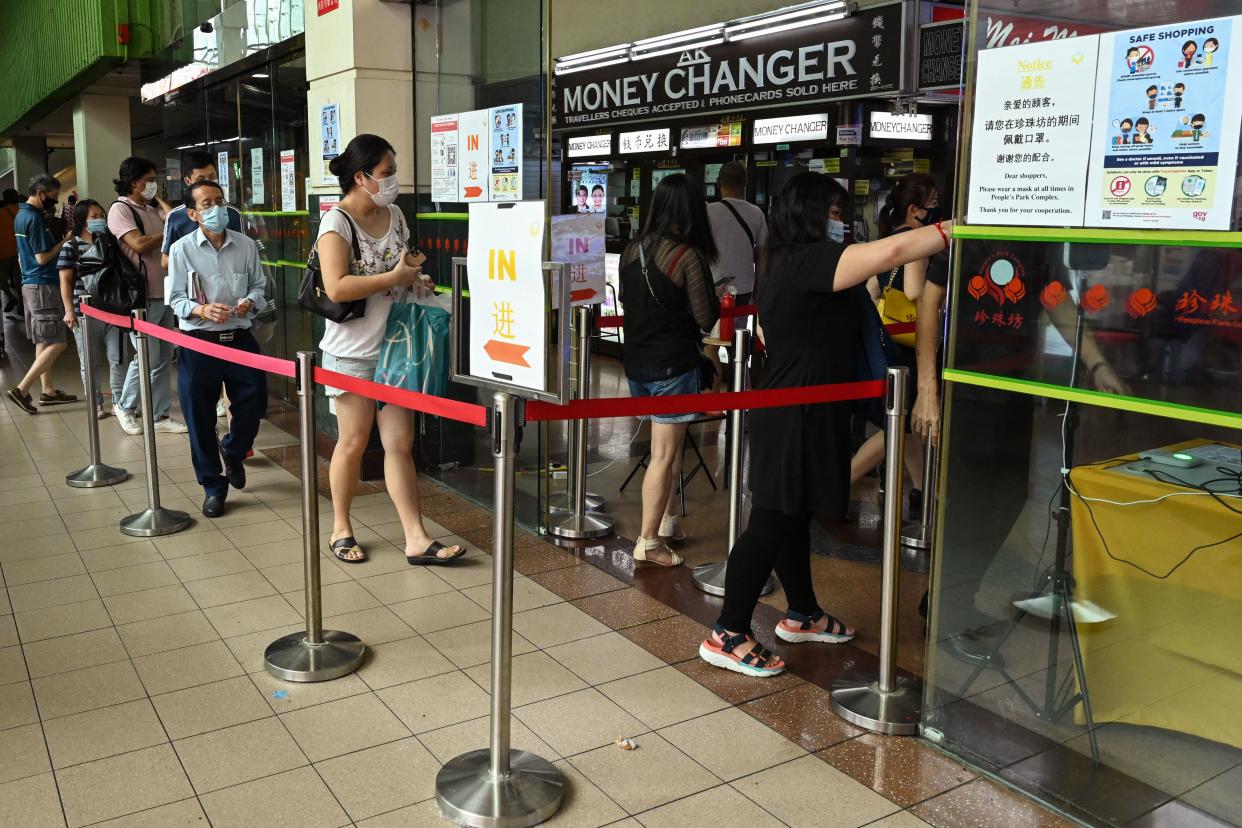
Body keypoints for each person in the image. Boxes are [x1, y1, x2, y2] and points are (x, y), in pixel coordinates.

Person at [697, 172, 952, 678]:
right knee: (771, 519)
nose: (841, 224)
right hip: (795, 413)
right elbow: (895, 250)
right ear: (809, 215)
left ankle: (803, 613)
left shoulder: (784, 261)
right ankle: (727, 632)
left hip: (810, 409)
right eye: (833, 215)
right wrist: (963, 228)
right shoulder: (808, 260)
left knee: (793, 514)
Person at [317, 133, 465, 565]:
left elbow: (404, 264)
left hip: (398, 347)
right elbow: (337, 287)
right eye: (386, 173)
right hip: (353, 352)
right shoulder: (337, 223)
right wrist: (394, 279)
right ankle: (341, 527)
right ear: (361, 177)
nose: (393, 180)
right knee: (353, 442)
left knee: (399, 444)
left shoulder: (395, 214)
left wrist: (415, 280)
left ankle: (416, 537)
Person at [618, 173, 719, 566]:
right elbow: (705, 316)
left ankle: (668, 522)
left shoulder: (631, 251)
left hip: (637, 364)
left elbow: (630, 301)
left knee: (670, 449)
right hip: (674, 366)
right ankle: (649, 542)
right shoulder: (687, 256)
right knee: (663, 454)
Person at [167, 180, 268, 518]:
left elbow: (259, 286)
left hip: (239, 337)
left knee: (255, 402)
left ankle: (235, 449)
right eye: (207, 204)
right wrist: (202, 310)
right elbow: (175, 299)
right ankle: (213, 485)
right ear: (193, 213)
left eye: (219, 201)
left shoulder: (246, 245)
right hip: (198, 342)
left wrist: (249, 302)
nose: (216, 209)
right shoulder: (182, 250)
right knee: (199, 417)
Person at [849, 173, 941, 512]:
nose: (936, 210)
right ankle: (841, 481)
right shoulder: (918, 243)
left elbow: (872, 291)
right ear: (914, 209)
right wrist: (938, 294)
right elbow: (916, 293)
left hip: (887, 341)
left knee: (905, 424)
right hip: (909, 345)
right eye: (932, 204)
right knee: (898, 424)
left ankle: (922, 490)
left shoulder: (887, 240)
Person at [108, 156, 187, 435]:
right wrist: (168, 232)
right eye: (150, 180)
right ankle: (125, 406)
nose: (155, 185)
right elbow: (138, 244)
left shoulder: (149, 208)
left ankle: (159, 414)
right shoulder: (121, 209)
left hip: (164, 292)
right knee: (146, 356)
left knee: (164, 356)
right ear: (134, 182)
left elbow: (175, 217)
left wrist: (159, 202)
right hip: (141, 296)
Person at [5, 174, 79, 414]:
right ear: (40, 192)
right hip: (43, 285)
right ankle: (22, 389)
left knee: (44, 340)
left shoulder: (20, 216)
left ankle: (47, 391)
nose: (55, 201)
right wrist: (65, 242)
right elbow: (42, 257)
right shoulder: (34, 219)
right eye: (54, 196)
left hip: (31, 284)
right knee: (58, 340)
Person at [58, 199, 128, 420]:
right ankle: (96, 403)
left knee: (118, 358)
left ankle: (119, 402)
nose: (99, 219)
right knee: (89, 361)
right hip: (85, 312)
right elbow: (65, 281)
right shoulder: (71, 246)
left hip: (113, 310)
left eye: (101, 215)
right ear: (81, 220)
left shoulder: (110, 243)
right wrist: (69, 309)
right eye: (93, 216)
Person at [705, 161, 767, 392]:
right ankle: (743, 400)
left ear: (719, 183)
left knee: (710, 346)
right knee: (738, 347)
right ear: (745, 184)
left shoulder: (708, 212)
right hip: (744, 291)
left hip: (714, 289)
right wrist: (758, 289)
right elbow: (762, 256)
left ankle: (711, 401)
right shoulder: (757, 214)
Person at [162, 151, 243, 271]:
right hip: (193, 286)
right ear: (188, 181)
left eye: (212, 177)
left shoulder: (232, 214)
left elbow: (242, 254)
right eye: (201, 179)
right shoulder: (175, 217)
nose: (208, 183)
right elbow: (165, 263)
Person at [0, 188, 22, 332]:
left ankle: (10, 297)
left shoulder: (1, 212)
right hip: (17, 251)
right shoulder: (20, 211)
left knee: (2, 281)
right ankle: (21, 304)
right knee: (19, 280)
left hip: (1, 254)